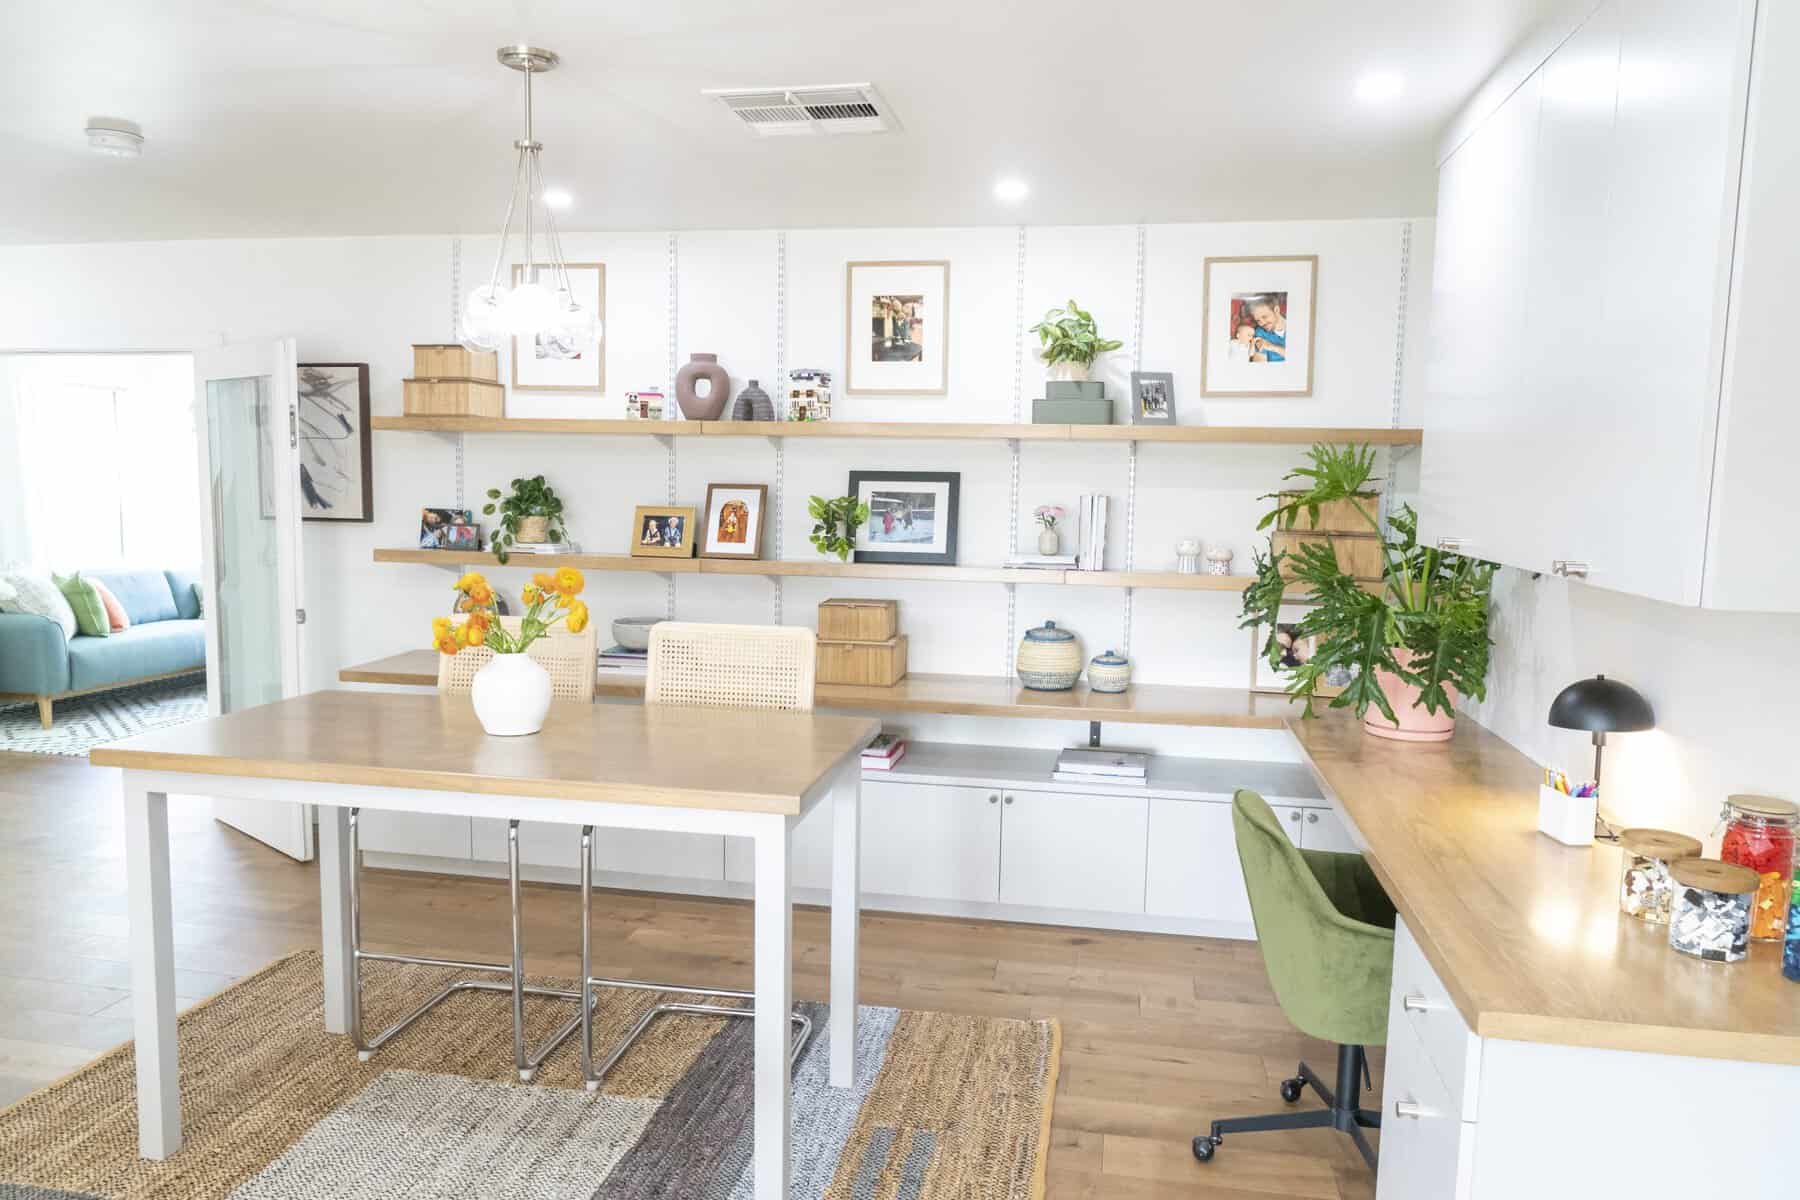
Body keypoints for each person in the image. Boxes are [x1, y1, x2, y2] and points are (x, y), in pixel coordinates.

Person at [1243, 295, 1287, 362]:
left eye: (1264, 317)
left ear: (1276, 310)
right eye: (1258, 320)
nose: (1262, 323)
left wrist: (1272, 347)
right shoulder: (1260, 333)